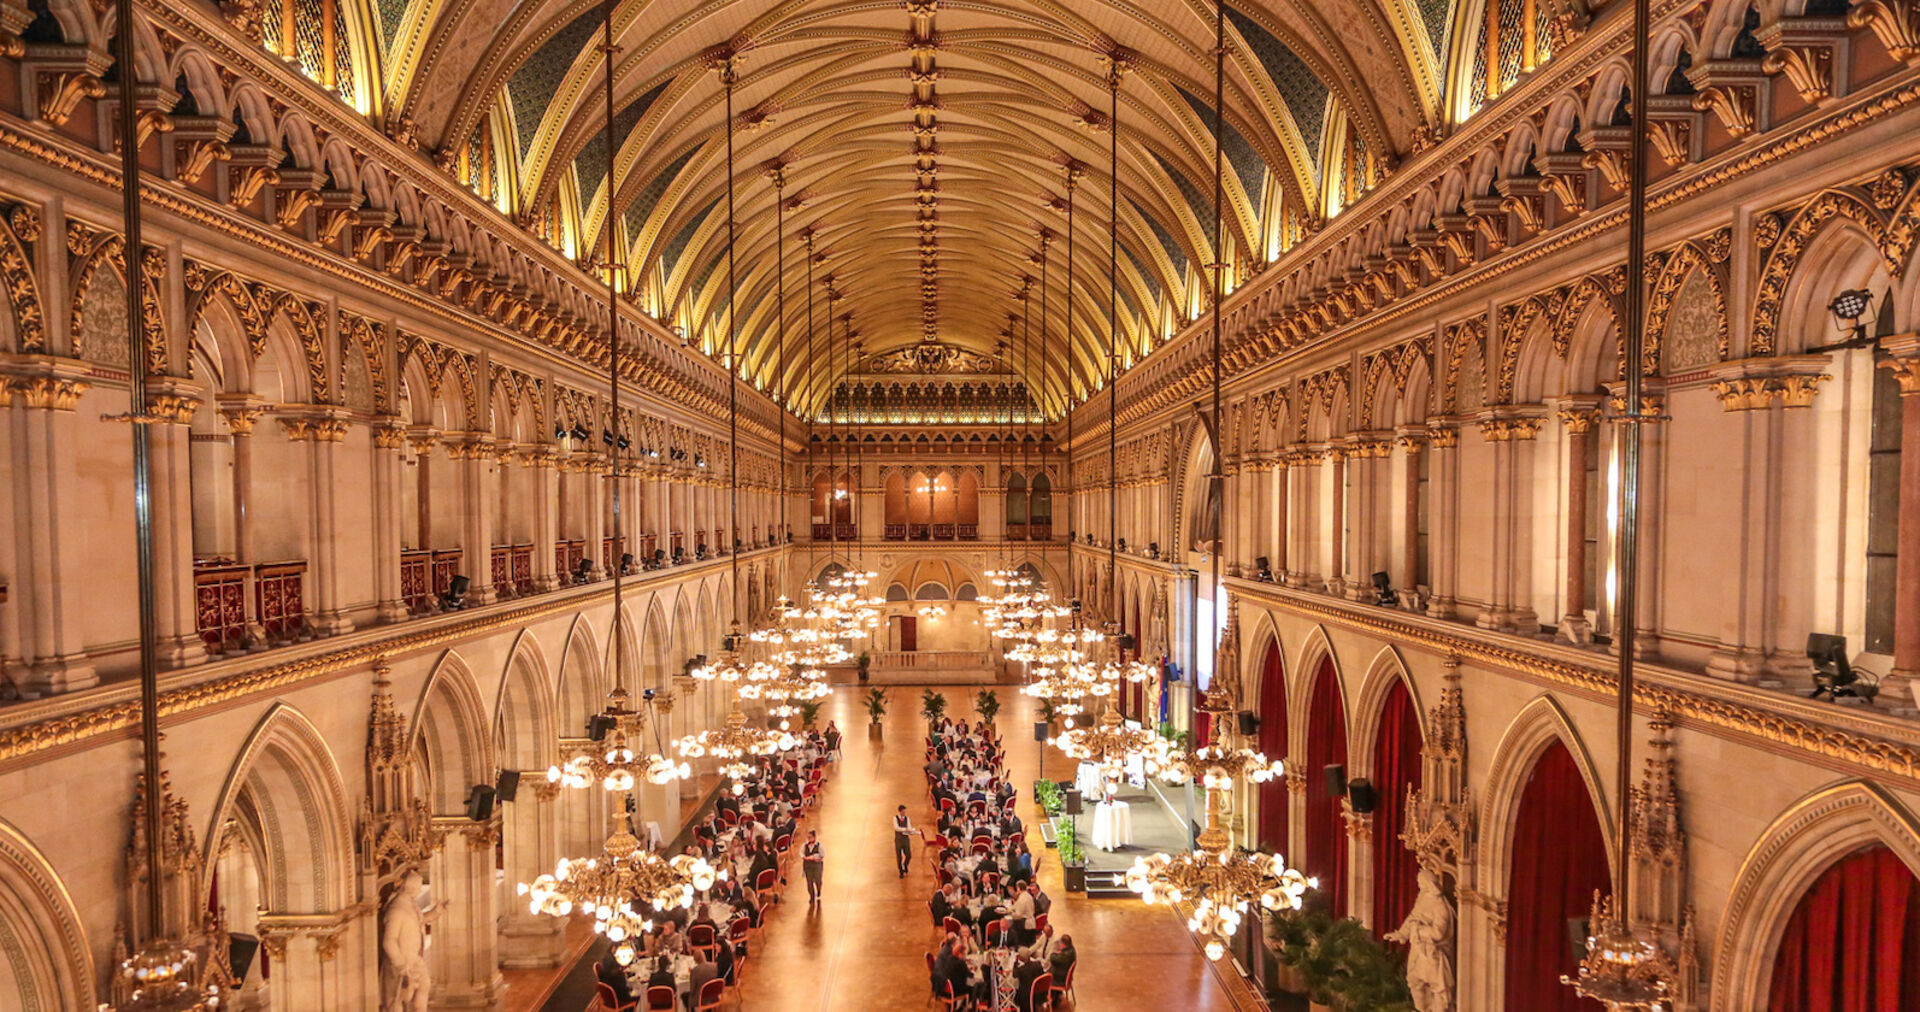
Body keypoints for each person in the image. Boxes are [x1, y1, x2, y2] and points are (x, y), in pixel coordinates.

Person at [802, 829, 824, 902]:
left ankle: (818, 890)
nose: (809, 839)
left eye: (810, 837)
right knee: (809, 882)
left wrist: (813, 857)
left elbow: (822, 855)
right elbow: (801, 853)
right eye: (808, 837)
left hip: (817, 866)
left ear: (814, 837)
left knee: (818, 881)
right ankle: (812, 896)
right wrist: (804, 857)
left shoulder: (819, 846)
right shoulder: (805, 845)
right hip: (808, 866)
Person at [894, 804, 916, 877]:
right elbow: (896, 828)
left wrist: (911, 831)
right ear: (900, 812)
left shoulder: (907, 819)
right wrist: (904, 829)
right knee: (899, 856)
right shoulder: (895, 818)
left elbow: (909, 827)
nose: (904, 813)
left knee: (908, 855)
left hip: (906, 839)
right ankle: (901, 871)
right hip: (899, 839)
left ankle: (905, 864)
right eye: (903, 812)